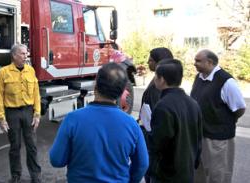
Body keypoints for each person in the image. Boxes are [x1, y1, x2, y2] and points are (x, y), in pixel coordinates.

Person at [49, 62, 149, 183]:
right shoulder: (132, 125)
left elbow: (56, 160)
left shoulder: (72, 119)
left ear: (95, 86)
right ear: (122, 91)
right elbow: (142, 164)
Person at [191, 49, 246, 183]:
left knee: (218, 175)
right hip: (200, 135)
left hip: (218, 139)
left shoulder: (226, 81)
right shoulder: (199, 77)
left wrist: (224, 122)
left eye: (198, 61)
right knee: (199, 174)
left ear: (210, 62)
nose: (194, 63)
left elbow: (239, 108)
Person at [148, 59, 203, 183]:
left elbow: (158, 143)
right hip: (187, 169)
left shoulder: (163, 106)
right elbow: (199, 137)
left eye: (156, 76)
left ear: (162, 79)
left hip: (167, 173)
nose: (155, 79)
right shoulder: (192, 103)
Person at [0, 44, 41, 183]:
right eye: (22, 53)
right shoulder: (4, 72)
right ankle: (16, 176)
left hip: (28, 112)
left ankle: (35, 176)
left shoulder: (30, 70)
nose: (25, 56)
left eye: (26, 53)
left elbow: (36, 94)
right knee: (15, 147)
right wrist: (1, 118)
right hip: (12, 113)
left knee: (32, 146)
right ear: (14, 55)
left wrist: (37, 114)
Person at [137, 47, 173, 183]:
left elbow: (157, 115)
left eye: (151, 60)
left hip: (153, 137)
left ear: (159, 62)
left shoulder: (158, 87)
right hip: (151, 133)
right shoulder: (160, 81)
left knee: (152, 171)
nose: (147, 62)